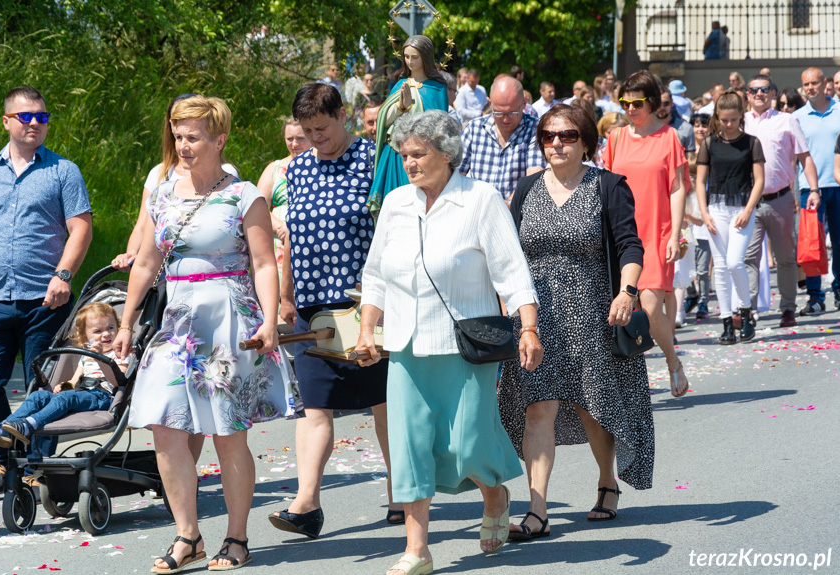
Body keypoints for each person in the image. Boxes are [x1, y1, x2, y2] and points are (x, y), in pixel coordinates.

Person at [355, 110, 542, 575]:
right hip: (406, 347)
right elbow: (376, 275)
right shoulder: (397, 203)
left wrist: (530, 327)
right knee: (411, 446)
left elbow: (512, 270)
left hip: (464, 346)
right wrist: (365, 330)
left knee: (467, 444)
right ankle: (417, 549)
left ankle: (495, 494)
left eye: (418, 155)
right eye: (404, 156)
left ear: (447, 153)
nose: (409, 164)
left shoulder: (479, 200)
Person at [114, 95, 290, 571]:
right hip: (178, 322)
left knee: (226, 433)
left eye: (193, 137)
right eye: (178, 136)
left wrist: (270, 321)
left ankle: (236, 537)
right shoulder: (163, 193)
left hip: (228, 319)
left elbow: (262, 263)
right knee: (165, 428)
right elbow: (148, 261)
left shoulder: (244, 195)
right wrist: (127, 322)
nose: (183, 146)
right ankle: (187, 536)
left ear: (220, 140)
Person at [499, 103, 653, 540]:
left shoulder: (607, 186)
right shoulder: (526, 189)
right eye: (548, 136)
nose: (556, 144)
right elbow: (510, 256)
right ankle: (537, 509)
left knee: (592, 408)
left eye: (567, 135)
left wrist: (627, 292)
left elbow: (629, 245)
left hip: (591, 314)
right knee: (538, 409)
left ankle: (607, 480)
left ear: (586, 141)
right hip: (535, 318)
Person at [272, 83, 402, 538]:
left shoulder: (375, 161)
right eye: (307, 130)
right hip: (313, 307)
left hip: (366, 304)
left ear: (342, 116)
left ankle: (400, 493)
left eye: (322, 128)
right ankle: (307, 505)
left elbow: (394, 233)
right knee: (315, 406)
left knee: (384, 404)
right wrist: (287, 296)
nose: (315, 138)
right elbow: (292, 238)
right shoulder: (298, 168)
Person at [0, 85, 92, 501]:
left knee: (42, 386)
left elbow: (80, 227)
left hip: (47, 299)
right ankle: (9, 462)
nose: (34, 124)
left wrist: (63, 274)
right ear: (6, 121)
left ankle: (38, 470)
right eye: (25, 117)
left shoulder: (64, 171)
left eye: (41, 117)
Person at [602, 70, 689, 397]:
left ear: (652, 102)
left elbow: (677, 188)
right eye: (624, 102)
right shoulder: (616, 138)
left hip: (657, 232)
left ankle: (672, 362)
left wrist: (675, 234)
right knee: (624, 307)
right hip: (622, 233)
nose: (630, 109)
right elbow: (607, 187)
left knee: (651, 307)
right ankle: (627, 379)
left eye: (637, 102)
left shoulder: (669, 138)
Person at [111, 93, 238, 272]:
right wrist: (131, 255)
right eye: (175, 119)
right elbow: (142, 225)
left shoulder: (228, 176)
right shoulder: (159, 173)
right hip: (160, 276)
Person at [0, 302, 128, 447]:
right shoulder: (85, 356)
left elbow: (118, 382)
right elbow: (74, 381)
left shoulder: (121, 354)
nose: (106, 334)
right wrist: (65, 386)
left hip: (104, 396)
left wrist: (101, 358)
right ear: (84, 337)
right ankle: (4, 428)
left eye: (111, 328)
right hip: (82, 394)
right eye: (98, 331)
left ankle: (30, 424)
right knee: (38, 396)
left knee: (67, 397)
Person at [744, 75, 820, 328]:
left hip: (780, 199)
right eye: (754, 90)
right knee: (749, 258)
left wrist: (813, 189)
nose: (759, 93)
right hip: (749, 203)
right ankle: (749, 312)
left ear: (773, 93)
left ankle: (788, 308)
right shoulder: (740, 123)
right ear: (747, 94)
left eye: (764, 89)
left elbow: (804, 156)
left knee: (786, 258)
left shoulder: (787, 120)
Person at [695, 91, 765, 344]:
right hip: (716, 209)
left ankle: (745, 313)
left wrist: (748, 210)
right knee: (721, 267)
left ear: (741, 117)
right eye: (724, 120)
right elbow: (700, 181)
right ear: (717, 118)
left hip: (742, 209)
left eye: (733, 120)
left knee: (735, 262)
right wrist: (704, 213)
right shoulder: (709, 144)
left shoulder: (751, 143)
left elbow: (759, 180)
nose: (728, 124)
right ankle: (726, 322)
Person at [367, 35, 448, 219]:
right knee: (395, 208)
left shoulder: (437, 88)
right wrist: (400, 107)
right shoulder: (399, 85)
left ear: (425, 58)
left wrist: (414, 107)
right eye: (407, 57)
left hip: (423, 156)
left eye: (415, 57)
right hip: (396, 155)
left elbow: (439, 124)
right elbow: (383, 120)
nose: (410, 62)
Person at [793, 68, 840, 312]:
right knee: (811, 244)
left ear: (824, 83)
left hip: (838, 185)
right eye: (806, 84)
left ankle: (839, 289)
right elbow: (795, 157)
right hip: (809, 189)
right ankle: (815, 297)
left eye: (814, 83)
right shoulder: (798, 117)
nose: (810, 88)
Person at [459, 76, 546, 203]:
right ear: (489, 103)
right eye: (498, 112)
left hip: (516, 212)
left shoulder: (534, 129)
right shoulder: (473, 128)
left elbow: (533, 178)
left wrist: (507, 205)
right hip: (477, 207)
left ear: (524, 105)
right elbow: (456, 175)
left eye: (512, 113)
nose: (505, 119)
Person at [255, 117, 312, 286]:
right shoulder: (275, 168)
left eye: (300, 138)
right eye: (289, 139)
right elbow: (258, 206)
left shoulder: (322, 165)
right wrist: (280, 227)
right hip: (279, 242)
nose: (294, 144)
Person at [686, 113, 712, 319]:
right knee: (686, 269)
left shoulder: (712, 154)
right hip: (687, 229)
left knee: (702, 269)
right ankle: (692, 295)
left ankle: (703, 300)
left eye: (704, 126)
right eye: (696, 126)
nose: (700, 129)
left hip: (703, 229)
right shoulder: (687, 154)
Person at [659, 87, 696, 155]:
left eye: (666, 103)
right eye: (658, 103)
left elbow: (690, 161)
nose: (662, 107)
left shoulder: (687, 128)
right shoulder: (645, 128)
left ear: (672, 103)